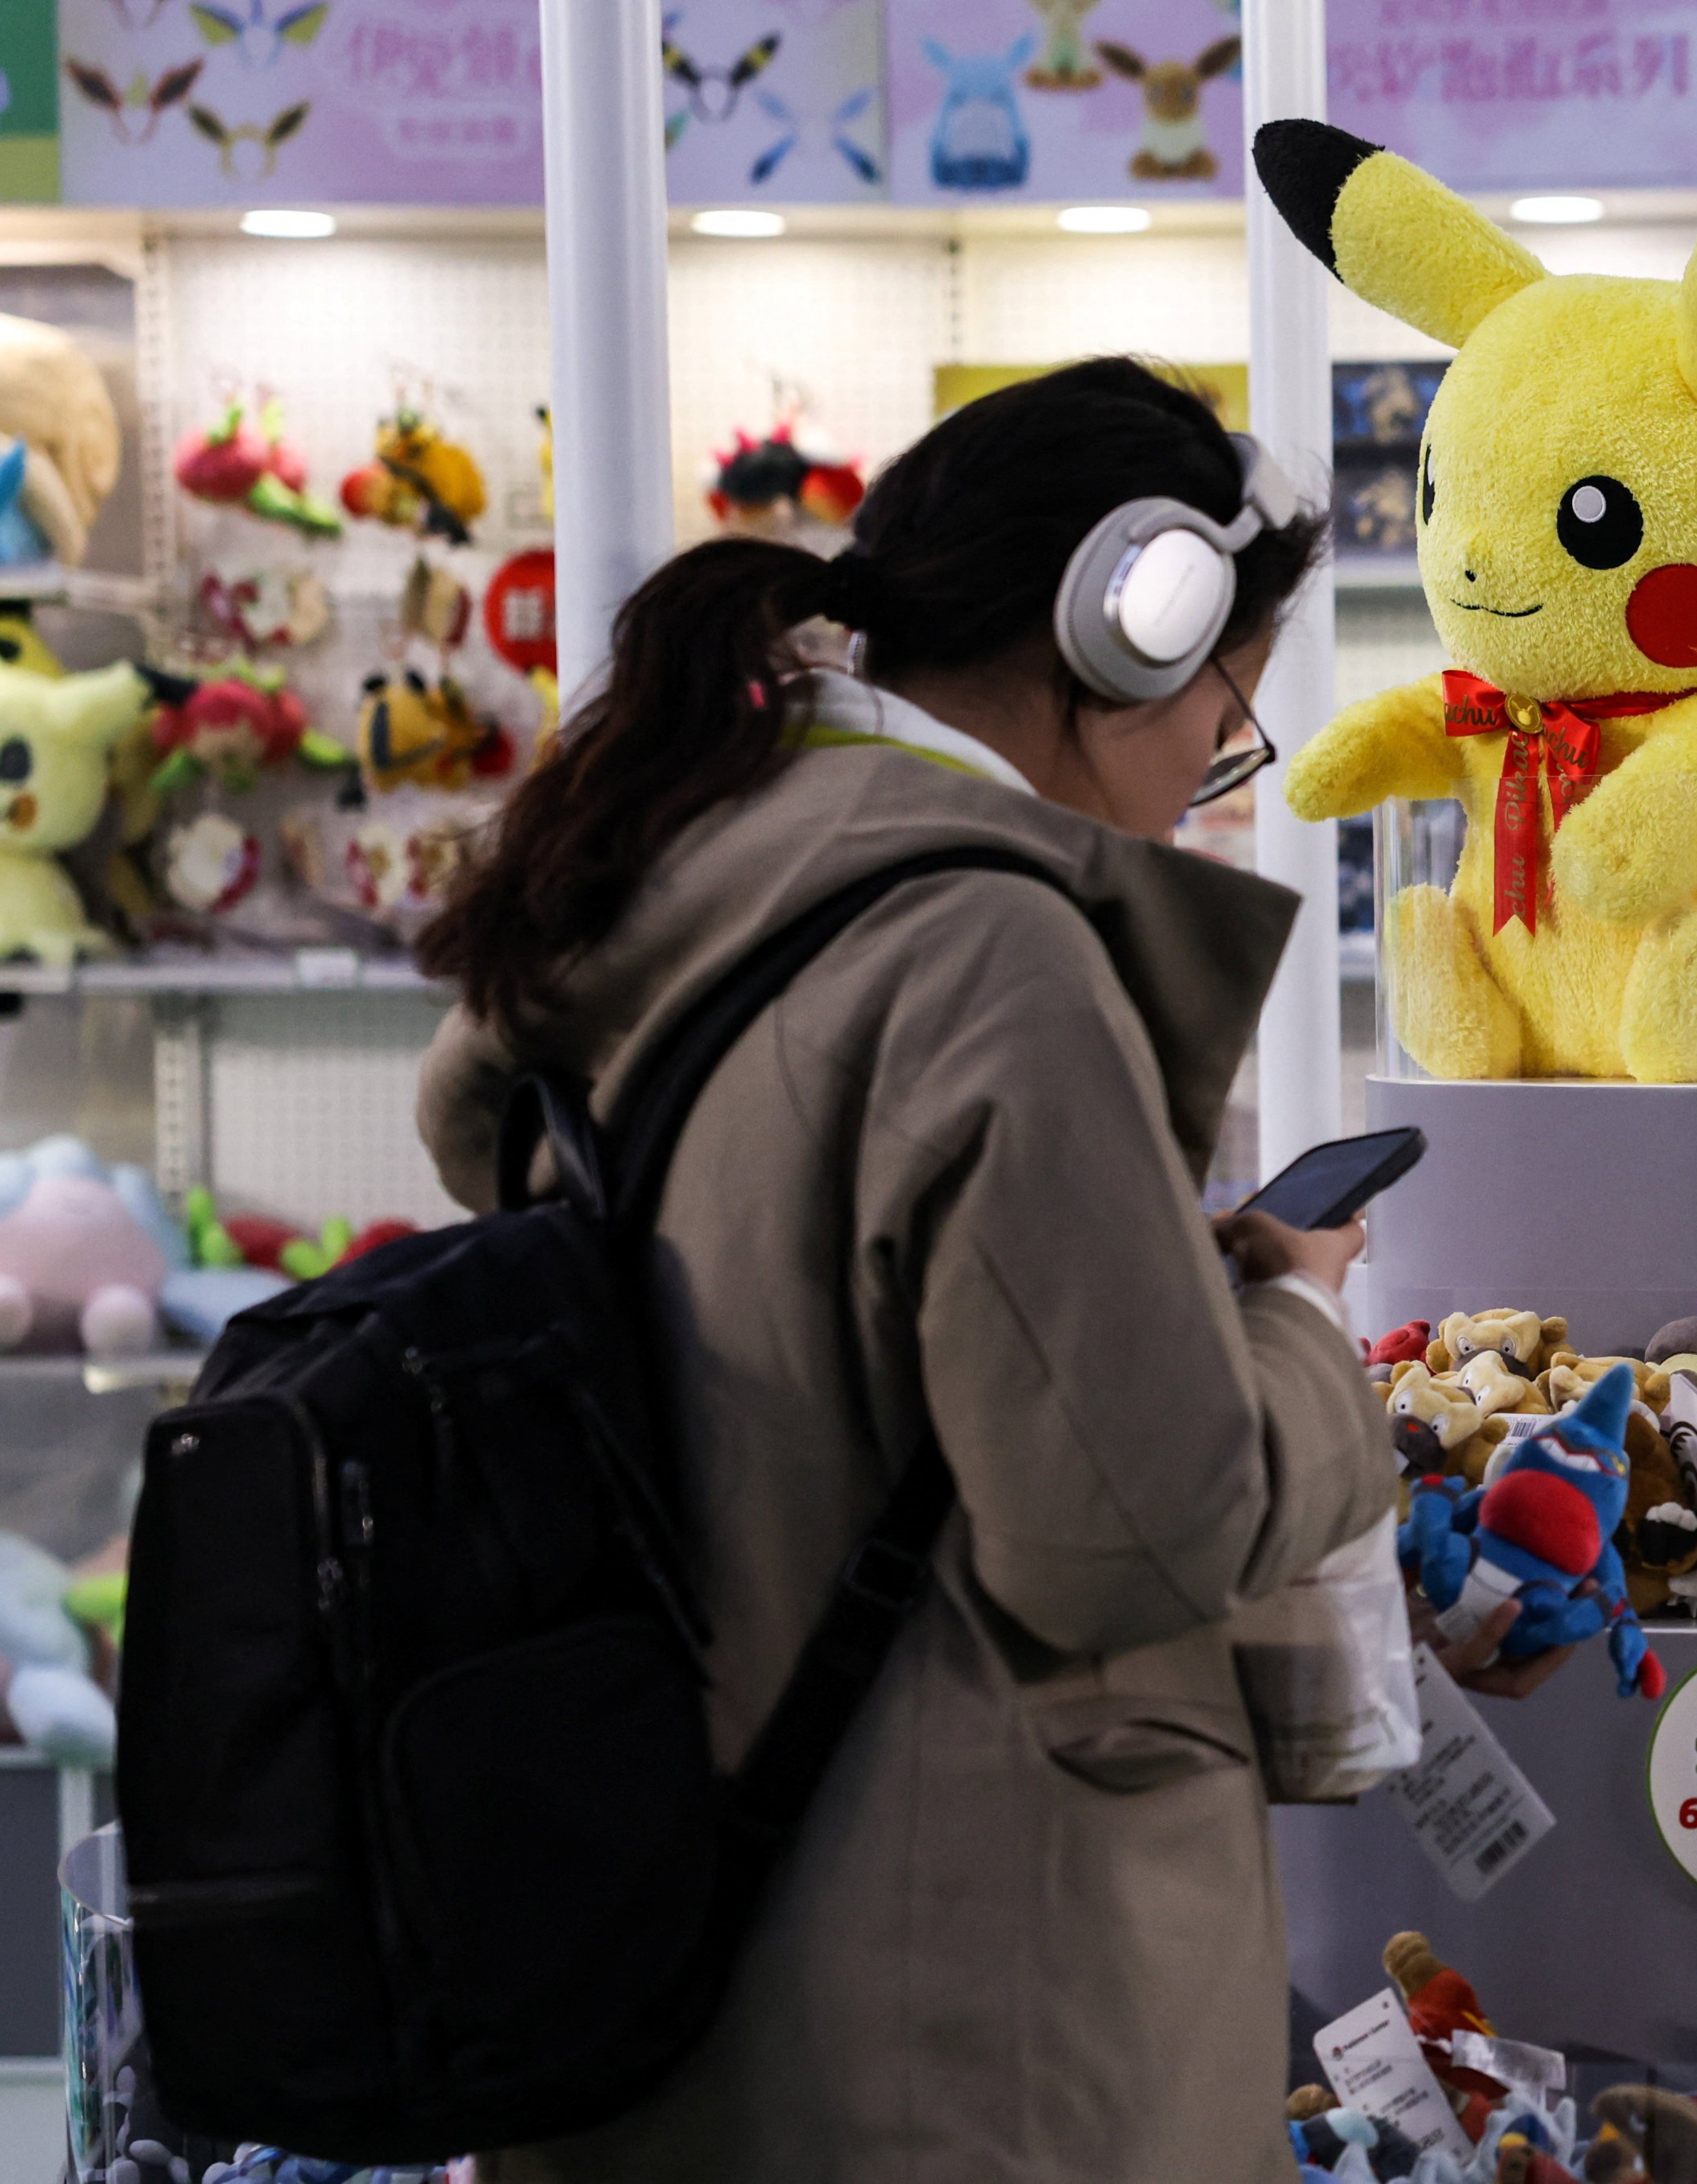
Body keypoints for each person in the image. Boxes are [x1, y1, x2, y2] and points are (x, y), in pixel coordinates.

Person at [414, 358, 1417, 2180]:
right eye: (1228, 706)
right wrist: (1289, 1319)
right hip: (963, 2006)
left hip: (653, 1949)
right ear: (1125, 636)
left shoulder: (674, 872)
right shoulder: (988, 950)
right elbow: (1132, 1525)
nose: (1216, 766)